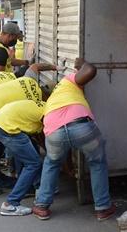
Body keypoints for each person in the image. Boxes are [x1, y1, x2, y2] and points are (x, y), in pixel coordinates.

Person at [32, 58, 115, 221]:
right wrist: (83, 64)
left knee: (52, 163)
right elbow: (90, 70)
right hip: (82, 127)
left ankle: (42, 206)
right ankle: (103, 208)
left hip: (54, 131)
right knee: (97, 163)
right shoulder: (67, 82)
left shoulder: (49, 102)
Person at [0, 63, 57, 200]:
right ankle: (28, 186)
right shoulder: (37, 104)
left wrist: (55, 67)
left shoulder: (28, 80)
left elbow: (35, 66)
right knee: (23, 146)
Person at [0, 98, 46, 216]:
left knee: (29, 154)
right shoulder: (49, 113)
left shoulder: (44, 105)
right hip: (7, 127)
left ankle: (35, 187)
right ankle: (11, 203)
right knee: (33, 164)